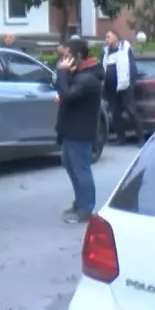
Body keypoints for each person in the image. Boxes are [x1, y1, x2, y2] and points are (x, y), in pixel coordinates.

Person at [55, 37, 102, 224]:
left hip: (80, 131)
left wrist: (63, 74)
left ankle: (86, 209)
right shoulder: (79, 74)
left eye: (66, 56)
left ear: (78, 55)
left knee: (81, 168)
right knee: (69, 163)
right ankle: (80, 201)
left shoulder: (88, 78)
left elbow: (68, 94)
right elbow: (66, 93)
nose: (63, 61)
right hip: (70, 128)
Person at [101, 30, 143, 144]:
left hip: (125, 86)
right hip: (110, 89)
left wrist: (131, 84)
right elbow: (103, 68)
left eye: (108, 37)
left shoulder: (125, 49)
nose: (106, 40)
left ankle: (140, 138)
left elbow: (132, 67)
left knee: (131, 111)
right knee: (115, 113)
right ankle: (121, 138)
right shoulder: (105, 52)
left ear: (116, 37)